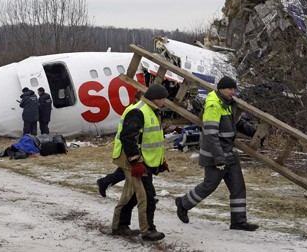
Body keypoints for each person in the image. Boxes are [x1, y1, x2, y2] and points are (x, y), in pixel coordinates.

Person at [175, 76, 259, 231]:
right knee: (209, 185)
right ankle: (183, 203)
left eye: (234, 89)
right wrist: (219, 159)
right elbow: (211, 135)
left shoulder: (227, 103)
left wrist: (255, 133)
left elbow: (236, 123)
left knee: (238, 187)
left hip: (229, 154)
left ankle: (238, 222)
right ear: (221, 89)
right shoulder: (213, 105)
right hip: (216, 156)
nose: (233, 92)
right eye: (230, 89)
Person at [111, 84, 169, 241]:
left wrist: (160, 161)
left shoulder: (152, 111)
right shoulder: (139, 112)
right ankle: (147, 230)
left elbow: (152, 140)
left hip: (144, 161)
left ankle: (119, 226)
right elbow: (128, 138)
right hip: (132, 160)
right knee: (146, 195)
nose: (165, 101)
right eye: (163, 98)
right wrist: (136, 162)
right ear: (156, 99)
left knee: (131, 194)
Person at [97, 90, 144, 198]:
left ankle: (104, 182)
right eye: (142, 100)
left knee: (125, 172)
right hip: (127, 147)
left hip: (133, 146)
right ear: (136, 99)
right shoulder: (134, 111)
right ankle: (147, 197)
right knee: (130, 172)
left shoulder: (138, 110)